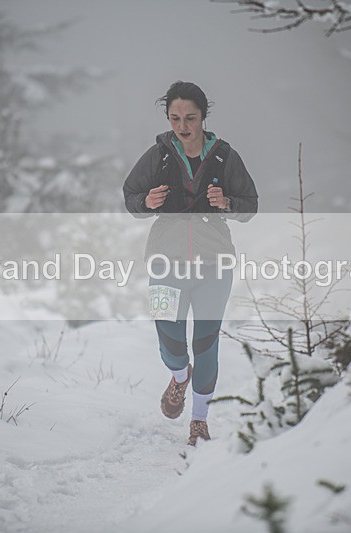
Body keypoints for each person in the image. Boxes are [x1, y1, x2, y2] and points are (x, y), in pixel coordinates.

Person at [123, 81, 258, 446]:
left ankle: (199, 420)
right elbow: (130, 197)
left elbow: (251, 205)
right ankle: (179, 377)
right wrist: (145, 202)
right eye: (175, 118)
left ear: (204, 117)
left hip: (214, 265)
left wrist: (227, 202)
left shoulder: (225, 156)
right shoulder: (158, 155)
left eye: (190, 118)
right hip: (165, 264)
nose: (182, 126)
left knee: (205, 343)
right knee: (169, 338)